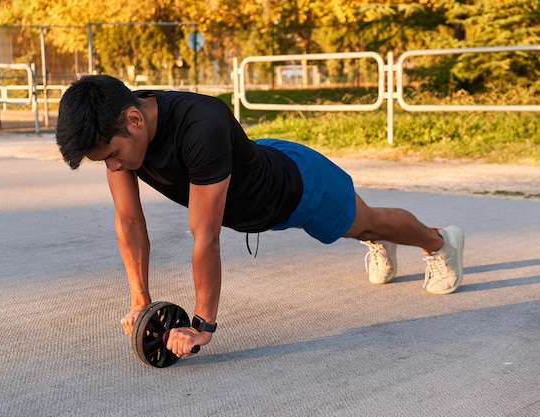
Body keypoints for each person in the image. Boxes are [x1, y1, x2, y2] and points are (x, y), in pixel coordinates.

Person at [56, 74, 465, 358]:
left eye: (111, 157)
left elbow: (205, 236)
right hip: (246, 173)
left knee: (366, 222)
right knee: (362, 226)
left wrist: (203, 325)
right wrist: (140, 302)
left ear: (134, 120)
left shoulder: (200, 125)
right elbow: (129, 221)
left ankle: (440, 242)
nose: (112, 168)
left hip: (297, 188)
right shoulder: (121, 123)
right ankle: (383, 240)